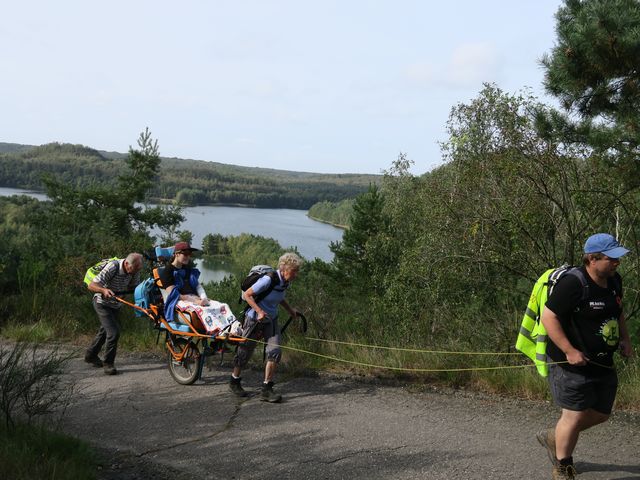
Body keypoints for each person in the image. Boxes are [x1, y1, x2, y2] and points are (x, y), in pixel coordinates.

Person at [538, 233, 633, 479]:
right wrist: (569, 351)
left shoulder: (614, 281)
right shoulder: (573, 284)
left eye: (617, 258)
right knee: (574, 414)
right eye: (611, 259)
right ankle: (563, 467)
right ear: (592, 259)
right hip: (570, 362)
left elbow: (618, 311)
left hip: (602, 361)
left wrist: (625, 339)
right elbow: (549, 318)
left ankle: (557, 436)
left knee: (602, 413)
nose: (616, 263)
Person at [229, 252, 302, 403]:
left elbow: (280, 297)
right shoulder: (268, 279)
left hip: (272, 320)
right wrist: (259, 311)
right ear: (284, 268)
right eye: (294, 270)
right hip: (254, 319)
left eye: (297, 270)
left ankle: (266, 389)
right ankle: (234, 380)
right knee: (245, 351)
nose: (296, 274)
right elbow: (248, 295)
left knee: (274, 351)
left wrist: (290, 310)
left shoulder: (285, 282)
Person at [85, 253, 143, 375]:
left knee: (104, 331)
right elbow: (92, 285)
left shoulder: (135, 270)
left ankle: (90, 355)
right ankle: (108, 364)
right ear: (127, 264)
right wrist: (103, 290)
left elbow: (135, 287)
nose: (135, 272)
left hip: (116, 304)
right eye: (134, 269)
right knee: (113, 332)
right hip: (102, 303)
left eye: (138, 269)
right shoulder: (113, 267)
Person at [158, 241, 234, 334]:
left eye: (189, 254)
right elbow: (174, 293)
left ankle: (232, 328)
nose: (188, 257)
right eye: (185, 254)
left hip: (193, 299)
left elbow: (198, 286)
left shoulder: (187, 269)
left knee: (223, 306)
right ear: (176, 254)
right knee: (203, 310)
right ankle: (216, 331)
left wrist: (203, 298)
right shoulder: (167, 271)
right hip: (178, 301)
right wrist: (195, 301)